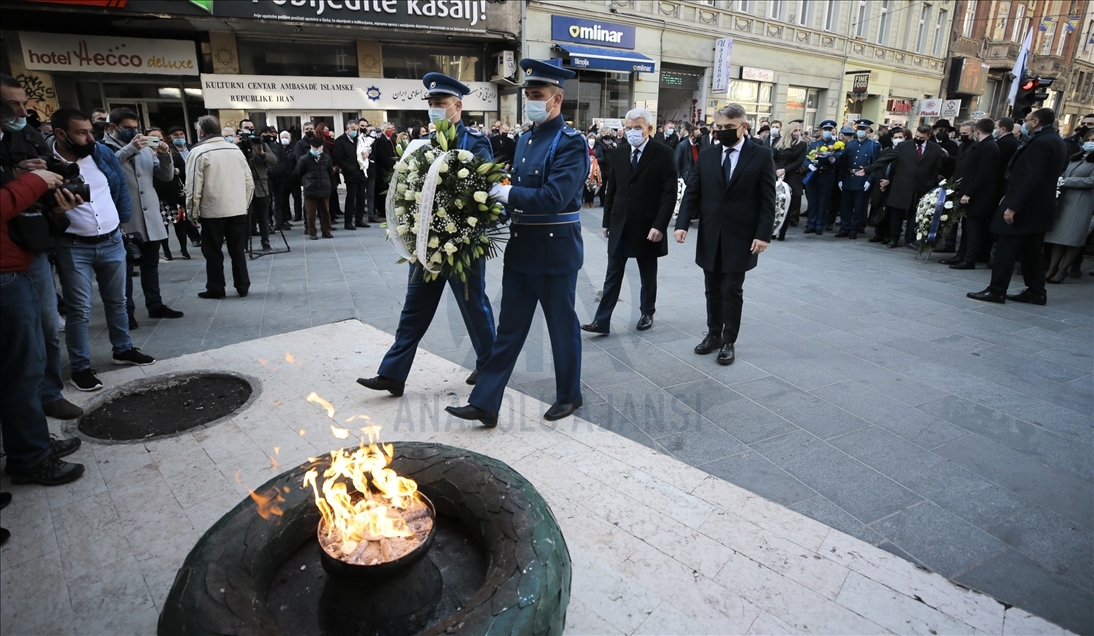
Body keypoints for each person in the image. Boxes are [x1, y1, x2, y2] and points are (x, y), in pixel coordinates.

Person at [446, 59, 588, 428]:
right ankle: (485, 403)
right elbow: (516, 200)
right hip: (522, 248)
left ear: (556, 100)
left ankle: (569, 394)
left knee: (561, 327)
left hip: (556, 251)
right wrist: (487, 209)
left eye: (537, 96)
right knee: (508, 330)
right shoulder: (526, 138)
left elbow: (554, 197)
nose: (531, 102)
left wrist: (506, 193)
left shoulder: (571, 143)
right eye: (528, 96)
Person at [357, 72, 496, 398]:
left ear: (457, 106)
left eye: (440, 104)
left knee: (472, 304)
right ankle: (392, 374)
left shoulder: (475, 143)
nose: (435, 110)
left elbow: (486, 191)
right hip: (426, 244)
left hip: (462, 245)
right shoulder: (423, 145)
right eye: (431, 104)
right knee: (414, 309)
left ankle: (490, 363)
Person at [49, 108, 157, 391]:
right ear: (61, 134)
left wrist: (120, 221)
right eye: (81, 133)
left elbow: (119, 186)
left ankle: (123, 349)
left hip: (111, 240)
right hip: (73, 245)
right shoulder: (47, 164)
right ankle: (81, 367)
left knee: (118, 300)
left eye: (89, 131)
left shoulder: (100, 154)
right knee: (79, 309)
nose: (89, 138)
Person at [1, 78, 85, 419]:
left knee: (48, 326)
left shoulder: (28, 135)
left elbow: (52, 176)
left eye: (24, 103)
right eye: (13, 106)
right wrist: (19, 176)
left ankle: (49, 394)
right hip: (6, 255)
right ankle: (27, 426)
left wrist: (55, 203)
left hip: (32, 240)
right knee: (21, 346)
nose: (23, 111)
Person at [673, 103, 775, 366]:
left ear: (743, 127)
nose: (723, 132)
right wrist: (682, 223)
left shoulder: (761, 155)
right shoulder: (707, 155)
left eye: (729, 127)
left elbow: (767, 200)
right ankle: (714, 334)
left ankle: (729, 340)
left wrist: (763, 234)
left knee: (731, 288)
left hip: (741, 236)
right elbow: (693, 191)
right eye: (719, 127)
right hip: (711, 233)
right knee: (712, 288)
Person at [2, 168, 86, 485]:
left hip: (18, 261)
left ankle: (29, 446)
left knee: (29, 363)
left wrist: (49, 210)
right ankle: (31, 457)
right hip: (5, 272)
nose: (24, 114)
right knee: (20, 369)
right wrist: (34, 180)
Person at [581, 107, 677, 335]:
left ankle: (647, 312)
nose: (632, 132)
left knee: (647, 273)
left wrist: (659, 225)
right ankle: (601, 321)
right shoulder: (620, 152)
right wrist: (606, 221)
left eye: (637, 128)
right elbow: (612, 188)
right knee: (613, 273)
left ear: (649, 129)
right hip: (620, 224)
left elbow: (669, 193)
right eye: (628, 128)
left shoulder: (663, 153)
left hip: (647, 225)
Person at [968, 108, 1069, 305]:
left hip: (1025, 206)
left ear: (1036, 122)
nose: (1025, 122)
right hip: (1038, 205)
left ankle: (997, 290)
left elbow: (1030, 177)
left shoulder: (1041, 142)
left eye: (1028, 120)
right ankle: (1036, 291)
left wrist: (1013, 206)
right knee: (1031, 250)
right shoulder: (1055, 140)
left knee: (1005, 248)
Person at [102, 107, 184, 326]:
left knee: (151, 264)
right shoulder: (103, 148)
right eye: (126, 128)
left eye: (135, 128)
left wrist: (166, 155)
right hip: (123, 218)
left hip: (150, 215)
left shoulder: (147, 147)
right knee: (124, 269)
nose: (133, 132)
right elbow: (106, 170)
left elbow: (165, 176)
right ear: (113, 127)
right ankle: (125, 311)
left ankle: (155, 304)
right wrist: (130, 148)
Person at [186, 115, 254, 298]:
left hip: (212, 211)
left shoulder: (198, 152)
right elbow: (250, 183)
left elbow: (193, 187)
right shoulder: (235, 150)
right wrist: (244, 204)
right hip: (237, 209)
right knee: (237, 250)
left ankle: (216, 288)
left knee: (213, 252)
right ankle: (242, 285)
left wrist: (192, 213)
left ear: (201, 131)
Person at [859, 124, 944, 248]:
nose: (918, 139)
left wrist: (930, 183)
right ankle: (894, 238)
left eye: (922, 138)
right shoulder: (904, 146)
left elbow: (936, 167)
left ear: (929, 136)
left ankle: (910, 240)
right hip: (901, 185)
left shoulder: (935, 148)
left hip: (920, 186)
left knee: (914, 215)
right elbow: (886, 159)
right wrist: (867, 169)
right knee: (896, 215)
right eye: (917, 136)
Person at [941, 119, 999, 270]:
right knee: (967, 227)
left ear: (977, 131)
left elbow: (982, 174)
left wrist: (969, 193)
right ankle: (961, 255)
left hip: (978, 196)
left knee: (972, 229)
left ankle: (969, 259)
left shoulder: (989, 146)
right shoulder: (982, 145)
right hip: (969, 192)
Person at [1042, 128, 1094, 283]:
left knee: (1073, 239)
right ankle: (1052, 268)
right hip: (1066, 201)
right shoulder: (1076, 157)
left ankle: (1062, 271)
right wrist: (1060, 180)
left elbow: (1091, 180)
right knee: (1058, 237)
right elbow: (1065, 173)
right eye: (1089, 139)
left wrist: (1068, 182)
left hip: (1082, 203)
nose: (1091, 142)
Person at [148, 127, 198, 259]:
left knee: (180, 222)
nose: (156, 140)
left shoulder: (171, 152)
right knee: (162, 225)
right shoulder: (143, 154)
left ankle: (183, 249)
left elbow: (184, 168)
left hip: (174, 193)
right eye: (152, 137)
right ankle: (166, 250)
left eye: (158, 137)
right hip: (156, 194)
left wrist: (176, 170)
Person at [237, 119, 278, 250]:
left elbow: (274, 160)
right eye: (246, 127)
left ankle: (265, 242)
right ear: (240, 129)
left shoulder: (259, 143)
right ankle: (244, 244)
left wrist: (262, 154)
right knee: (245, 217)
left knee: (263, 216)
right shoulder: (236, 145)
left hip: (260, 185)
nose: (249, 130)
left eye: (251, 127)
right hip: (243, 186)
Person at [836, 119, 881, 239]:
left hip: (862, 179)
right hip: (848, 177)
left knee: (859, 207)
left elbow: (875, 164)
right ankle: (844, 228)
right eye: (859, 129)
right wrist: (840, 178)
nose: (861, 131)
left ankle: (854, 230)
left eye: (864, 129)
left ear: (868, 131)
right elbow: (844, 163)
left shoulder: (874, 146)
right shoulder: (851, 144)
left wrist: (869, 180)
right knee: (845, 206)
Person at [802, 120, 839, 236]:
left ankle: (820, 225)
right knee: (812, 202)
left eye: (829, 130)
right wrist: (810, 165)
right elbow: (805, 159)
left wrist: (834, 160)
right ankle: (811, 223)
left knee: (823, 203)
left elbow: (841, 161)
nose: (827, 132)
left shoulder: (837, 145)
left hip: (827, 176)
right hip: (814, 176)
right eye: (825, 130)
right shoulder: (814, 144)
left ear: (833, 130)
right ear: (822, 131)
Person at [773, 121, 808, 239]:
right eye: (795, 130)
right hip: (777, 175)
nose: (797, 133)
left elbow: (799, 161)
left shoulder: (802, 144)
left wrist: (784, 170)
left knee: (788, 203)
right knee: (775, 202)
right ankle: (773, 230)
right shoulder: (779, 142)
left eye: (799, 130)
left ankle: (782, 231)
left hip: (792, 175)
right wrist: (777, 170)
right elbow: (772, 158)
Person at [295, 136, 335, 240]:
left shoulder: (326, 157)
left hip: (324, 188)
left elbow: (330, 171)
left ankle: (326, 231)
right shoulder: (304, 159)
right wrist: (306, 182)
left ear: (322, 147)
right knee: (310, 213)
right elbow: (299, 172)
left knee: (325, 211)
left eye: (318, 148)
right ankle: (312, 232)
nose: (316, 150)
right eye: (314, 147)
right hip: (310, 188)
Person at [334, 120, 369, 230]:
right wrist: (349, 168)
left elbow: (366, 148)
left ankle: (359, 220)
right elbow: (339, 158)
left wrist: (366, 154)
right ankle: (348, 221)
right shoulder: (340, 141)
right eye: (353, 129)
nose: (355, 131)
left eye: (357, 129)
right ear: (347, 129)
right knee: (351, 197)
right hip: (350, 173)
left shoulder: (358, 139)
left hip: (361, 171)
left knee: (361, 197)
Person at [270, 130, 297, 230]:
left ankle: (282, 220)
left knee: (280, 201)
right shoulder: (270, 147)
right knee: (276, 201)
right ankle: (275, 221)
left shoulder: (279, 147)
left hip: (284, 177)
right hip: (273, 177)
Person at [583, 134, 601, 208]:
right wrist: (588, 159)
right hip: (587, 168)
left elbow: (602, 157)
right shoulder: (584, 147)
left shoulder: (598, 147)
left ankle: (591, 201)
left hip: (595, 168)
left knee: (593, 185)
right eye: (590, 138)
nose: (591, 139)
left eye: (593, 138)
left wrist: (595, 159)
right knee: (586, 185)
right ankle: (586, 201)